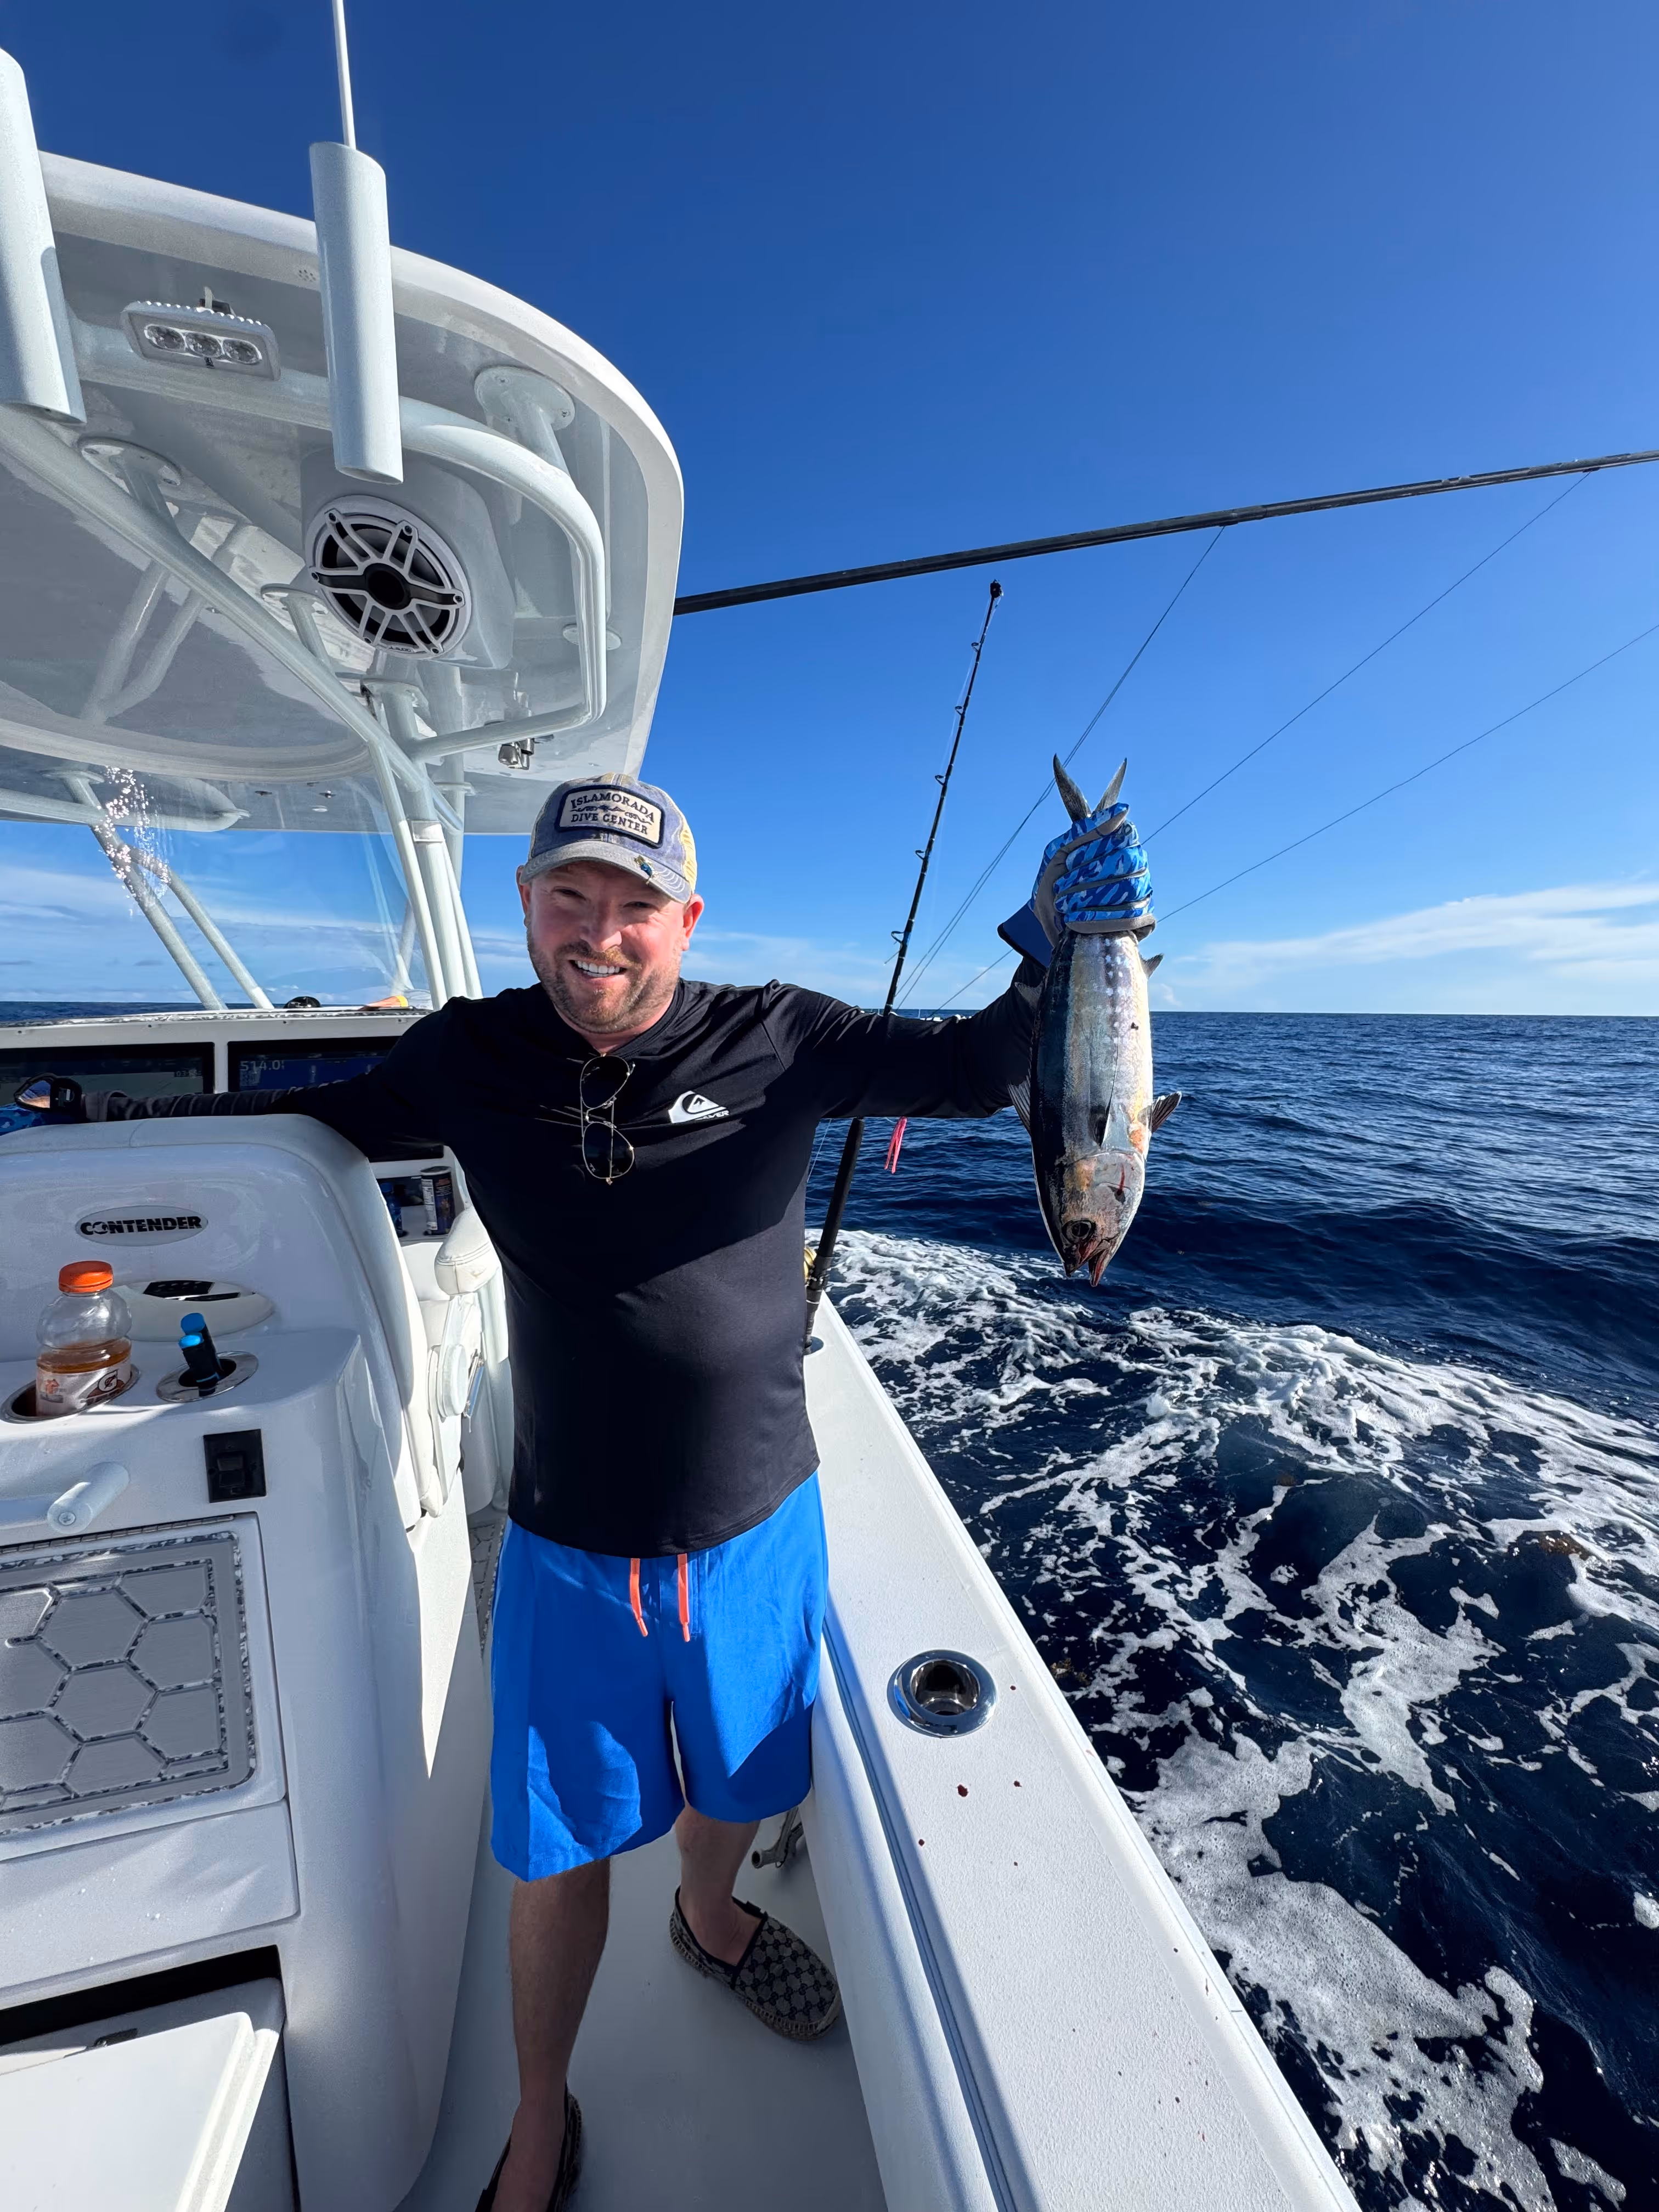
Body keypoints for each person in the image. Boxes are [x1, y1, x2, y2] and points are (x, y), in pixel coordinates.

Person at [21, 769, 1130, 2212]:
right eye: (569, 898)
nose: (599, 934)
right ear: (528, 903)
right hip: (566, 1545)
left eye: (633, 906)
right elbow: (314, 1115)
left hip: (757, 1528)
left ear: (687, 919)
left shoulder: (782, 1033)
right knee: (551, 1850)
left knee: (739, 1775)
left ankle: (712, 1913)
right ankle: (541, 2108)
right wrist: (82, 1113)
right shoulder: (465, 1055)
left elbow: (977, 1072)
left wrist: (1054, 946)